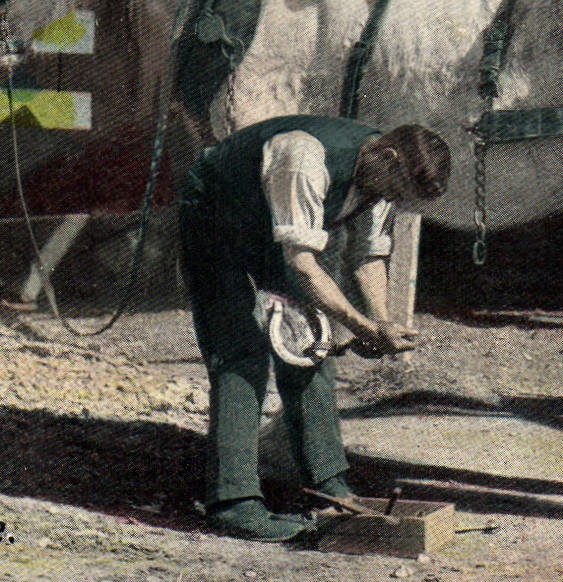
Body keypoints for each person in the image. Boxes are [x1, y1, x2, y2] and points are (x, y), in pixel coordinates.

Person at [178, 115, 452, 541]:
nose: (391, 200)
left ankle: (326, 484)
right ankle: (233, 503)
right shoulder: (304, 156)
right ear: (389, 156)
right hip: (218, 220)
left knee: (311, 346)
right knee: (240, 356)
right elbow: (304, 268)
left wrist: (381, 323)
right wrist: (362, 328)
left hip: (281, 234)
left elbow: (368, 258)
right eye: (396, 191)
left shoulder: (383, 178)